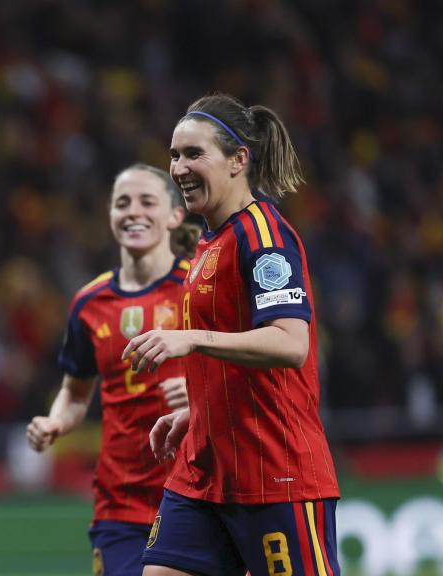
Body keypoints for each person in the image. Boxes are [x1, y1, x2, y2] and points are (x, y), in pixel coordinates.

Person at [124, 94, 341, 576]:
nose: (178, 167)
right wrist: (198, 412)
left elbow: (290, 342)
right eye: (175, 155)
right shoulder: (210, 240)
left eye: (194, 154)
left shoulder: (263, 236)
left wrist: (192, 338)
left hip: (274, 474)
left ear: (239, 160)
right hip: (204, 472)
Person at [26, 163, 195, 576]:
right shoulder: (89, 303)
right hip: (121, 501)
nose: (133, 211)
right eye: (123, 203)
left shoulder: (198, 287)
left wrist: (199, 393)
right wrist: (56, 421)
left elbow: (243, 371)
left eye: (147, 202)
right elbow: (76, 391)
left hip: (197, 489)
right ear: (110, 217)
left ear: (175, 216)